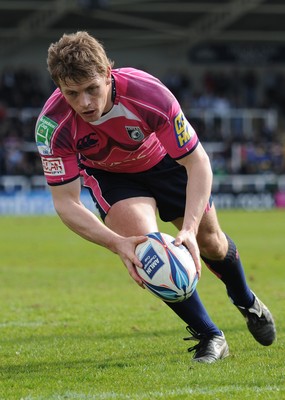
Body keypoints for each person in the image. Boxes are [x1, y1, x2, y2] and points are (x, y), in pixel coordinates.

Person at [35, 31, 276, 363]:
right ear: (59, 88)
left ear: (108, 73)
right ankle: (210, 335)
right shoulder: (52, 125)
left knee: (211, 243)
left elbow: (197, 161)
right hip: (113, 178)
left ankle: (246, 300)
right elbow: (65, 201)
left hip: (165, 162)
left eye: (92, 89)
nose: (85, 103)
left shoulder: (147, 93)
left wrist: (189, 229)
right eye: (72, 94)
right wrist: (115, 243)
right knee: (147, 250)